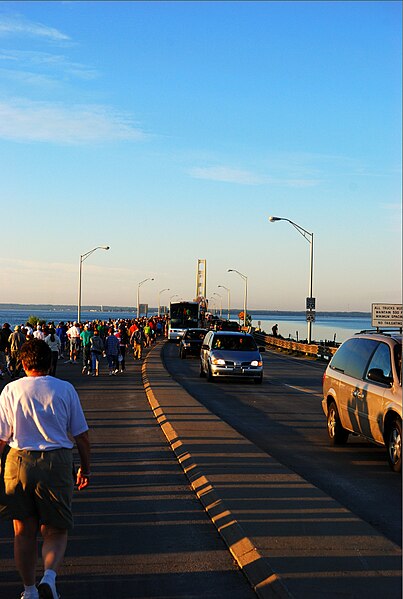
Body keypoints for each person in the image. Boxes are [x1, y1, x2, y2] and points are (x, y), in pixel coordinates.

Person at [0, 339, 91, 599]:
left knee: (23, 531)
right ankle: (49, 578)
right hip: (57, 461)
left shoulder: (11, 390)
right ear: (50, 362)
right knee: (56, 529)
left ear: (23, 362)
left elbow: (1, 437)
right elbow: (81, 435)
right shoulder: (65, 389)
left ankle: (29, 590)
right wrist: (85, 469)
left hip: (18, 462)